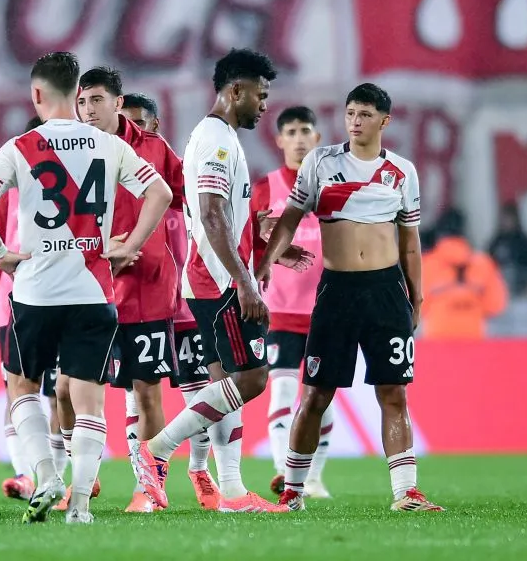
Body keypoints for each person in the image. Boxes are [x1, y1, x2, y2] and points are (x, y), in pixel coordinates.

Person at [0, 51, 172, 525]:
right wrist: (129, 245)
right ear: (77, 94)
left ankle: (46, 476)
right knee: (88, 398)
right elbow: (160, 193)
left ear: (37, 93)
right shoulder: (109, 144)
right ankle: (79, 506)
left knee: (22, 385)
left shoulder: (20, 147)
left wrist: (0, 253)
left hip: (36, 292)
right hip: (94, 293)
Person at [132, 48, 310, 514]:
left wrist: (260, 244)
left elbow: (225, 216)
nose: (265, 105)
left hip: (213, 276)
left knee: (224, 384)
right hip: (218, 281)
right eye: (260, 95)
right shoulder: (216, 139)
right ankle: (157, 450)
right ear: (236, 90)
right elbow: (211, 215)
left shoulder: (221, 136)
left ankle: (231, 490)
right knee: (252, 378)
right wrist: (244, 282)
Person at [256, 83, 444, 512]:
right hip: (337, 291)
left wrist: (416, 297)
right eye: (350, 113)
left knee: (393, 392)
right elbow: (289, 218)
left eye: (365, 114)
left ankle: (406, 492)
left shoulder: (402, 171)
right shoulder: (321, 162)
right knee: (315, 394)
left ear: (384, 121)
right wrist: (268, 260)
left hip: (386, 291)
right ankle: (293, 491)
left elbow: (409, 242)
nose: (355, 122)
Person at [75, 67, 218, 513]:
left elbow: (192, 197)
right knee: (70, 388)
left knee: (147, 389)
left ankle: (150, 489)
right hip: (86, 286)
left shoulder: (154, 148)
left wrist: (244, 223)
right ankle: (73, 483)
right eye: (82, 101)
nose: (88, 110)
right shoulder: (71, 150)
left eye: (96, 100)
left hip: (147, 287)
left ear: (117, 102)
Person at [0, 116, 69, 501]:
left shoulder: (75, 186)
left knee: (60, 392)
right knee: (16, 389)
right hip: (12, 302)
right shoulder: (8, 188)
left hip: (63, 296)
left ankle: (58, 475)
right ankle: (25, 475)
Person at [250, 106, 334, 498]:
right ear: (279, 140)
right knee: (283, 392)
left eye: (305, 131)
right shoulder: (265, 188)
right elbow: (246, 241)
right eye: (291, 132)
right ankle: (284, 471)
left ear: (317, 138)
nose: (299, 139)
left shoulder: (332, 189)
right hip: (279, 312)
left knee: (323, 399)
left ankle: (314, 478)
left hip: (326, 312)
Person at [421, 208, 508, 339]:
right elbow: (496, 305)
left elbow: (413, 307)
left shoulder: (426, 264)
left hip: (437, 336)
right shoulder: (484, 263)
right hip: (474, 335)